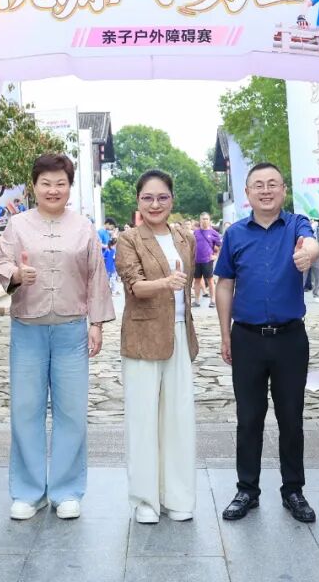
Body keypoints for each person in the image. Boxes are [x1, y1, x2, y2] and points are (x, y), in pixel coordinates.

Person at [0, 153, 115, 521]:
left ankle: (66, 490)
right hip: (28, 327)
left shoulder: (83, 227)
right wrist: (17, 274)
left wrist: (96, 323)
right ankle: (28, 492)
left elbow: (96, 274)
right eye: (45, 183)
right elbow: (2, 262)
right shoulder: (17, 225)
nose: (53, 189)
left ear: (69, 187)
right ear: (34, 186)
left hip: (70, 329)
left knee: (71, 411)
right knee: (25, 409)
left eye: (60, 183)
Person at [214, 162, 319, 524]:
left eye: (272, 184)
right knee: (249, 418)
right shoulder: (235, 234)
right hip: (247, 338)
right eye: (258, 185)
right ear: (247, 193)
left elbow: (311, 243)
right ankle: (247, 489)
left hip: (290, 339)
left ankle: (293, 490)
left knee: (291, 417)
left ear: (283, 190)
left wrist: (309, 253)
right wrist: (225, 332)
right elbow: (224, 284)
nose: (265, 190)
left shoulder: (296, 225)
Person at [116, 169, 198, 524]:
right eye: (147, 198)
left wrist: (173, 285)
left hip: (179, 334)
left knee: (179, 419)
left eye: (162, 197)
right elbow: (134, 286)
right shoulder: (128, 239)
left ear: (172, 200)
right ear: (138, 201)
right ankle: (145, 499)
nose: (155, 204)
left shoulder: (184, 237)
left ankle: (177, 496)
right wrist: (166, 282)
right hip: (142, 338)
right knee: (143, 420)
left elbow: (189, 287)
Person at [192, 212, 222, 309]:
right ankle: (196, 301)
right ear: (200, 220)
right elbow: (191, 246)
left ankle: (212, 300)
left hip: (207, 260)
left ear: (209, 220)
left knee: (210, 280)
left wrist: (215, 255)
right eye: (203, 219)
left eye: (206, 219)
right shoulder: (195, 232)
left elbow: (219, 245)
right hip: (196, 260)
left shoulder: (214, 233)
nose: (204, 221)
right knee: (197, 280)